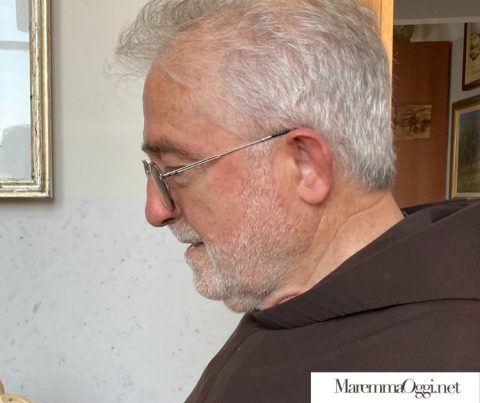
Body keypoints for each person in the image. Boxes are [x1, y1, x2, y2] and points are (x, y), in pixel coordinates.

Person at [115, 0, 480, 401]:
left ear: (306, 166)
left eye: (176, 169)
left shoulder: (440, 374)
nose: (156, 210)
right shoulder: (298, 300)